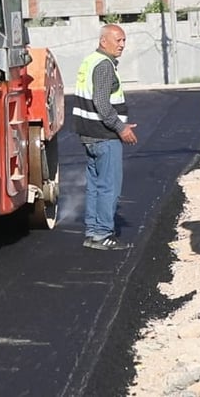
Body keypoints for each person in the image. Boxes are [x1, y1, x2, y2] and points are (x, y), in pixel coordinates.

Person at [72, 24, 138, 250]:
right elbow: (101, 102)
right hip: (104, 136)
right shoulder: (103, 66)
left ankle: (92, 233)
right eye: (118, 40)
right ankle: (102, 235)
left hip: (89, 134)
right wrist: (121, 128)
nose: (122, 45)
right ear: (104, 41)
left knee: (95, 186)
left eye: (123, 41)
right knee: (109, 186)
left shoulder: (90, 61)